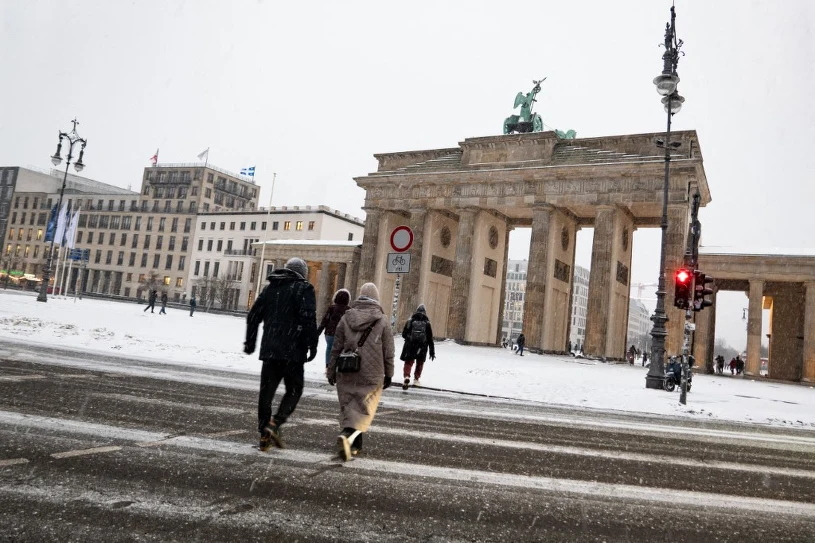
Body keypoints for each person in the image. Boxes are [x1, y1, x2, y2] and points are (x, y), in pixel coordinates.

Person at [244, 257, 318, 451]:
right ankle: (275, 423)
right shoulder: (304, 289)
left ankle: (263, 434)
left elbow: (253, 316)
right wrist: (312, 344)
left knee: (266, 394)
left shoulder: (270, 289)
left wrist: (250, 342)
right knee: (294, 390)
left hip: (270, 350)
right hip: (293, 351)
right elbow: (308, 319)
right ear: (302, 273)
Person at [328, 282, 394, 461]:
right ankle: (348, 435)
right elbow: (388, 351)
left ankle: (355, 445)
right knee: (364, 408)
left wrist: (331, 369)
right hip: (372, 372)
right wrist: (389, 373)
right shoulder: (382, 320)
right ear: (376, 298)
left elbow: (336, 346)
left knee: (350, 406)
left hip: (347, 368)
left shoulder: (346, 318)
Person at [400, 304, 435, 389]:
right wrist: (432, 351)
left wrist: (410, 338)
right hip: (422, 347)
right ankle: (416, 379)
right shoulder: (427, 323)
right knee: (420, 363)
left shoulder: (410, 321)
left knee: (408, 362)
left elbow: (404, 334)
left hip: (411, 345)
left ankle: (407, 376)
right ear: (425, 312)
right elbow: (430, 338)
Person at [316, 289, 351, 370]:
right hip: (342, 333)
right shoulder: (349, 310)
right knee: (340, 349)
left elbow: (324, 321)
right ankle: (337, 366)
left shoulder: (332, 308)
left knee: (329, 348)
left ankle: (328, 366)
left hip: (330, 332)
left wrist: (318, 332)